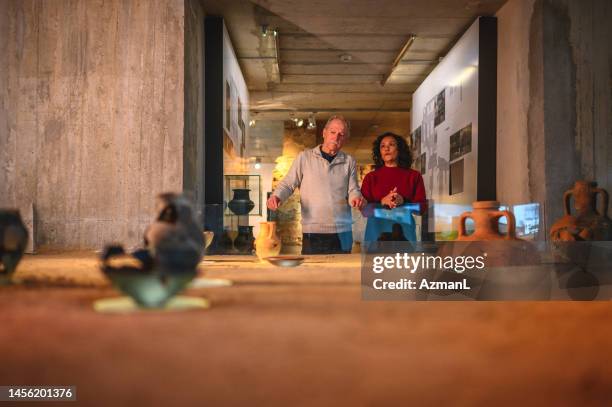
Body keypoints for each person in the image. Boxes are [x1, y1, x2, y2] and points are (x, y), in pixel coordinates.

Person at [267, 116, 367, 254]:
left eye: (341, 134)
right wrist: (277, 196)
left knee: (341, 274)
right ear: (324, 133)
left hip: (343, 232)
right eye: (333, 132)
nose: (336, 137)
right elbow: (288, 184)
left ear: (345, 139)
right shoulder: (304, 157)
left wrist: (356, 198)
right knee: (312, 274)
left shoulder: (349, 161)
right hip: (313, 231)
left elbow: (353, 190)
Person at [360, 132, 426, 242]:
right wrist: (382, 202)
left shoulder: (414, 176)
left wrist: (403, 201)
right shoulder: (371, 177)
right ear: (379, 152)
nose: (386, 148)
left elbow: (422, 209)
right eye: (383, 146)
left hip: (405, 237)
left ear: (399, 149)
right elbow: (364, 211)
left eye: (391, 145)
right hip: (376, 236)